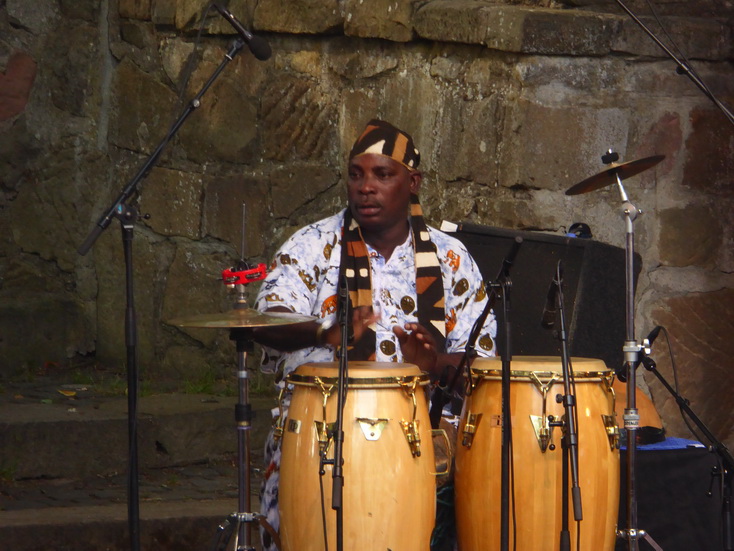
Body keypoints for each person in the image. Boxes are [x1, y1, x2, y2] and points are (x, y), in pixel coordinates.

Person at [253, 119, 497, 551]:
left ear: (413, 182)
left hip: (427, 446)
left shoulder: (451, 258)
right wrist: (328, 332)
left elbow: (487, 369)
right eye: (356, 174)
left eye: (382, 175)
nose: (365, 187)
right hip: (319, 439)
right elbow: (266, 321)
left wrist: (433, 365)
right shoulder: (312, 246)